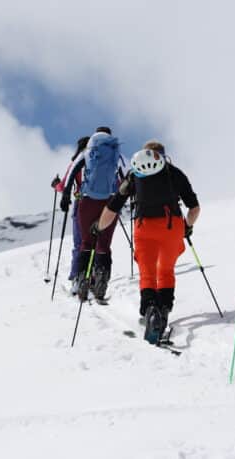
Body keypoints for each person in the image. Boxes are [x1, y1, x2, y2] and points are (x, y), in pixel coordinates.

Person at [98, 140, 200, 344]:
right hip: (172, 227)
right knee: (166, 271)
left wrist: (98, 227)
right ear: (162, 155)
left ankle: (150, 310)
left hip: (144, 228)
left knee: (147, 272)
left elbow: (114, 205)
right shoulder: (174, 173)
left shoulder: (134, 174)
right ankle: (163, 309)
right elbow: (194, 208)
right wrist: (187, 227)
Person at [63, 127, 124, 301]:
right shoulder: (114, 153)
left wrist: (66, 194)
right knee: (103, 243)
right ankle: (101, 278)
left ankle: (82, 278)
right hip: (110, 203)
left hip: (87, 201)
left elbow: (73, 172)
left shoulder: (88, 151)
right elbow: (122, 179)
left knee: (86, 242)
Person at [57, 135, 90, 285]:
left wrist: (56, 185)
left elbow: (64, 185)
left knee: (80, 242)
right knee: (96, 241)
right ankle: (92, 275)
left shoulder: (77, 162)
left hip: (81, 202)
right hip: (101, 203)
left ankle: (76, 277)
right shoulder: (100, 160)